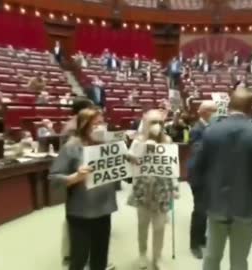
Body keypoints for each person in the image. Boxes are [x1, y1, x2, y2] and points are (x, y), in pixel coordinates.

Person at [192, 88, 252, 270]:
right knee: (239, 261)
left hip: (216, 203)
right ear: (251, 108)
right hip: (246, 206)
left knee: (212, 257)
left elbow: (196, 168)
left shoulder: (211, 131)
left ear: (229, 106)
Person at [49, 108, 117, 270]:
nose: (101, 127)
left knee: (100, 256)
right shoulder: (71, 146)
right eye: (96, 124)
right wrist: (75, 177)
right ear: (85, 125)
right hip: (80, 212)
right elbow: (54, 178)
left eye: (102, 122)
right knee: (79, 258)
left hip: (104, 209)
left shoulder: (108, 144)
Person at [128, 109, 179, 270]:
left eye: (159, 122)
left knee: (159, 226)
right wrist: (144, 149)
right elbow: (131, 163)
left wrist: (175, 186)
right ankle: (142, 254)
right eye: (153, 122)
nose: (157, 126)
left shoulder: (168, 140)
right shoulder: (138, 141)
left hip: (162, 188)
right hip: (143, 188)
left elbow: (172, 164)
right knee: (143, 225)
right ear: (146, 124)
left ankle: (157, 257)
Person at [188, 100, 217, 259]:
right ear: (206, 112)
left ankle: (201, 237)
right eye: (214, 111)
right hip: (198, 176)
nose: (217, 114)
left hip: (209, 175)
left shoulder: (210, 128)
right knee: (199, 210)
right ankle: (194, 244)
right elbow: (198, 151)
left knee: (206, 210)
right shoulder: (197, 129)